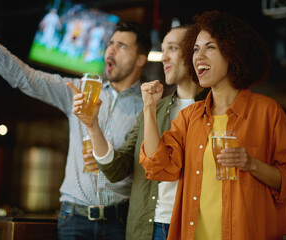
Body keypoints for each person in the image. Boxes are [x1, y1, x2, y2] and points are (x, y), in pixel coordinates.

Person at [0, 0, 151, 239]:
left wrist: (110, 156)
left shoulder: (148, 106)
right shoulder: (78, 90)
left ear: (141, 59)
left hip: (121, 221)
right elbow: (26, 78)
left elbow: (148, 167)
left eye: (121, 46)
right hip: (74, 219)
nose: (110, 50)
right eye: (110, 43)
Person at [139, 10, 286, 240]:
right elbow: (158, 166)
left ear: (232, 53)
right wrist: (149, 108)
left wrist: (252, 164)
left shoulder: (268, 112)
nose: (199, 56)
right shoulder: (189, 117)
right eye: (195, 49)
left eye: (210, 47)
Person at [67, 25, 208, 240]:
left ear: (194, 52)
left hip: (197, 226)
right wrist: (92, 124)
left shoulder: (216, 108)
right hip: (148, 226)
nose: (163, 57)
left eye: (172, 48)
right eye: (163, 49)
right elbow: (117, 169)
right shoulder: (154, 108)